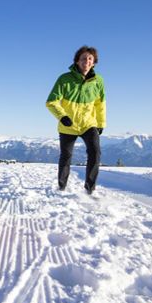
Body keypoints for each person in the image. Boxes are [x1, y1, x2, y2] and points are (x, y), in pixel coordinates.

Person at [46, 46, 106, 194]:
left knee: (95, 152)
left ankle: (90, 189)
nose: (87, 61)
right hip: (68, 124)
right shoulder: (64, 79)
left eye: (90, 59)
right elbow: (51, 101)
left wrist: (100, 123)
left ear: (94, 63)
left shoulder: (98, 81)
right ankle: (61, 187)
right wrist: (63, 116)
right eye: (83, 58)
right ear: (77, 61)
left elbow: (100, 104)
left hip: (88, 124)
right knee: (66, 156)